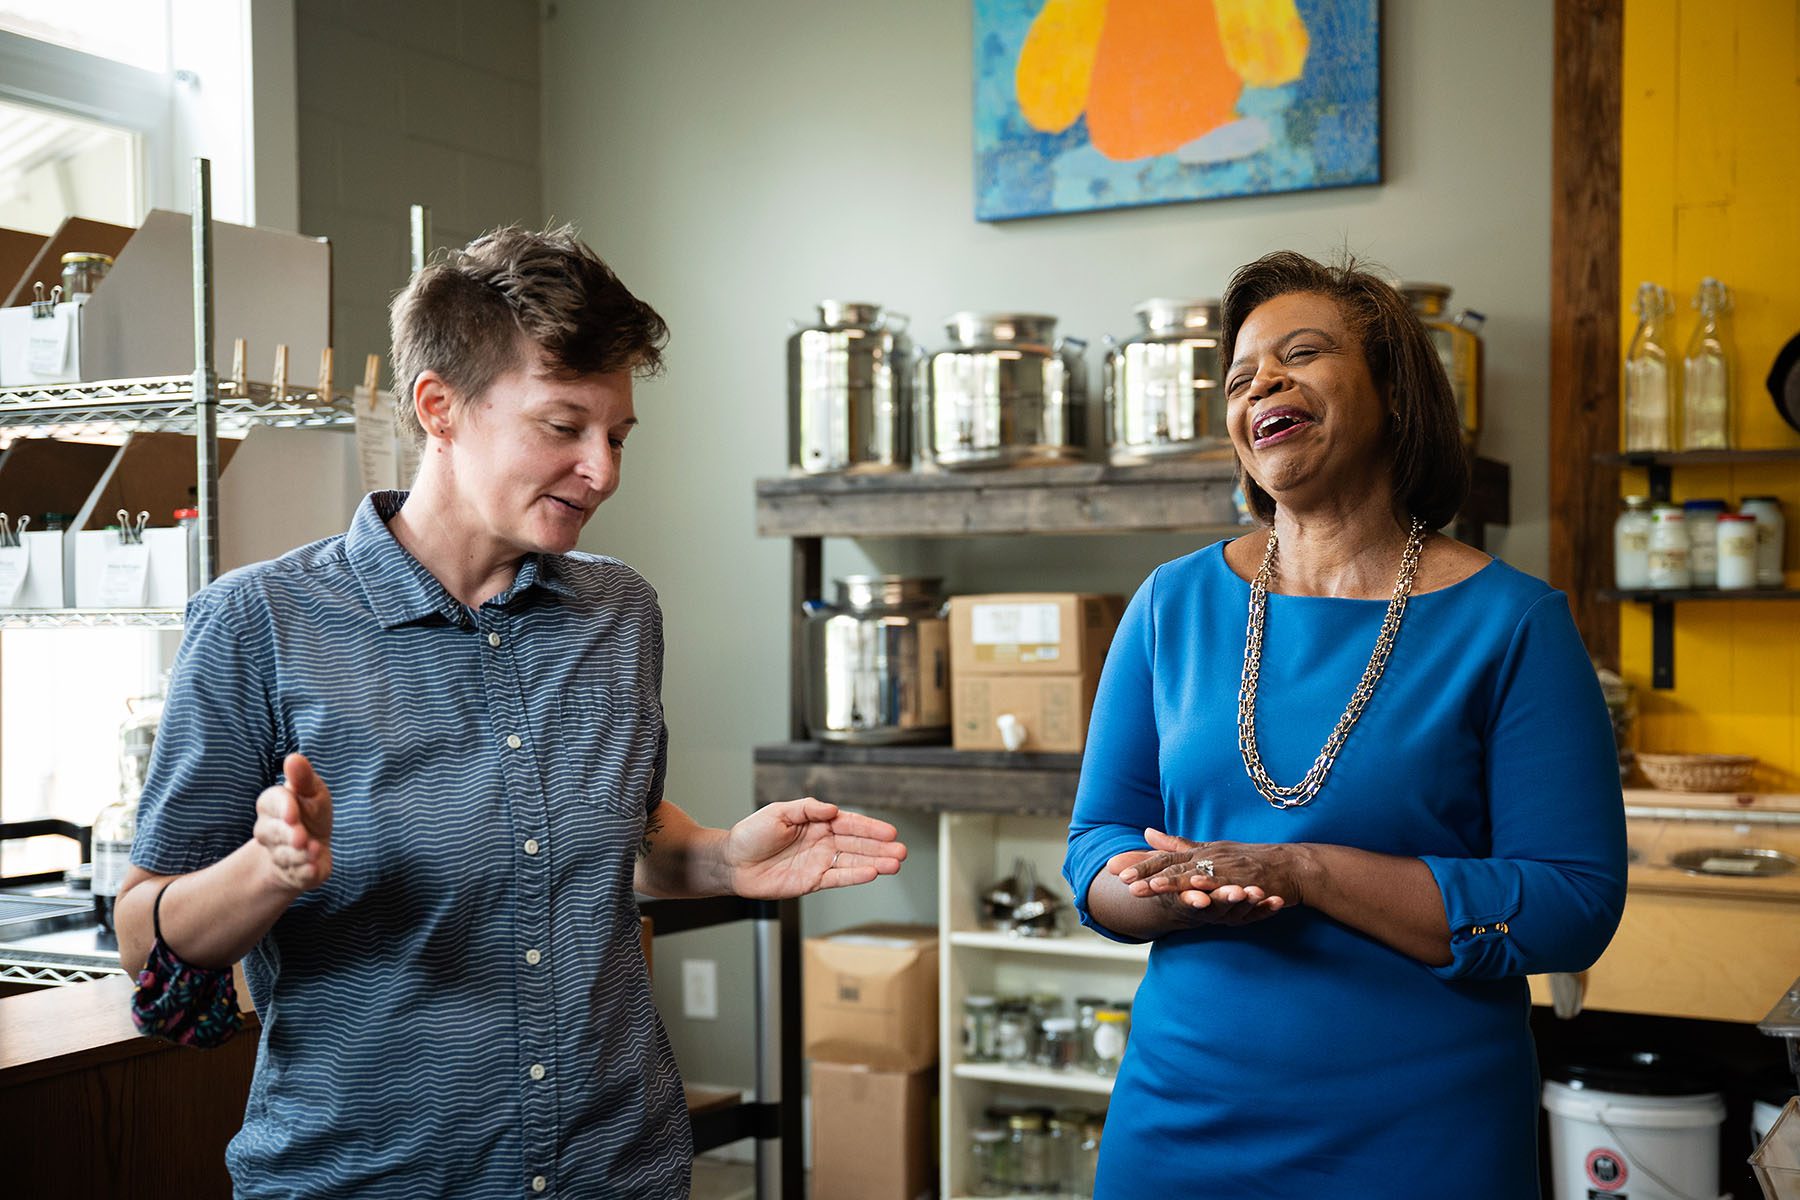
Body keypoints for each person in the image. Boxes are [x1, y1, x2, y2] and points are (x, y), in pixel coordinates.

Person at [114, 225, 907, 1198]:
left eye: (617, 436)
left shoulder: (619, 614)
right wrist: (267, 872)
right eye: (563, 427)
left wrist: (718, 858)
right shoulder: (258, 623)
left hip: (619, 1170)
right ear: (439, 409)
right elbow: (143, 941)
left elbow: (634, 838)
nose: (603, 470)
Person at [1062, 251, 1626, 1198]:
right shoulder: (1171, 604)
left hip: (1423, 1133)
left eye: (1303, 354)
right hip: (1181, 1117)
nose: (1263, 385)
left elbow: (1572, 904)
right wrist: (1176, 885)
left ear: (1395, 394)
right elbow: (1094, 847)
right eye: (1240, 378)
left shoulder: (1514, 623)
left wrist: (1303, 872)